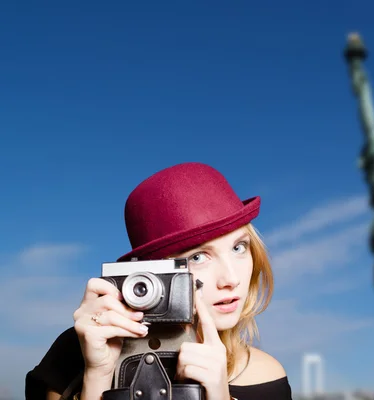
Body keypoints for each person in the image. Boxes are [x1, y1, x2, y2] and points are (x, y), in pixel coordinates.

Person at [25, 162, 293, 400]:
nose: (231, 279)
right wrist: (97, 376)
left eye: (239, 248)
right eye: (198, 256)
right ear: (149, 273)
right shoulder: (76, 351)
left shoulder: (264, 376)